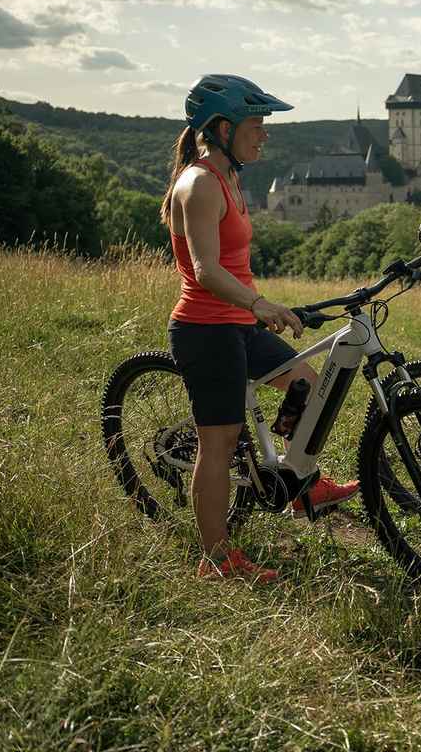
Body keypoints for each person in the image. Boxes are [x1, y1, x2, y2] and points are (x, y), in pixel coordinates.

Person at [163, 74, 359, 583]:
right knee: (219, 444)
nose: (264, 134)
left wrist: (258, 307)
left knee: (308, 385)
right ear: (223, 128)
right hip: (206, 330)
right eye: (256, 125)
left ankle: (298, 482)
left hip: (240, 323)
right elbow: (205, 269)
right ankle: (216, 560)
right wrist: (260, 303)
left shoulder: (230, 177)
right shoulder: (201, 183)